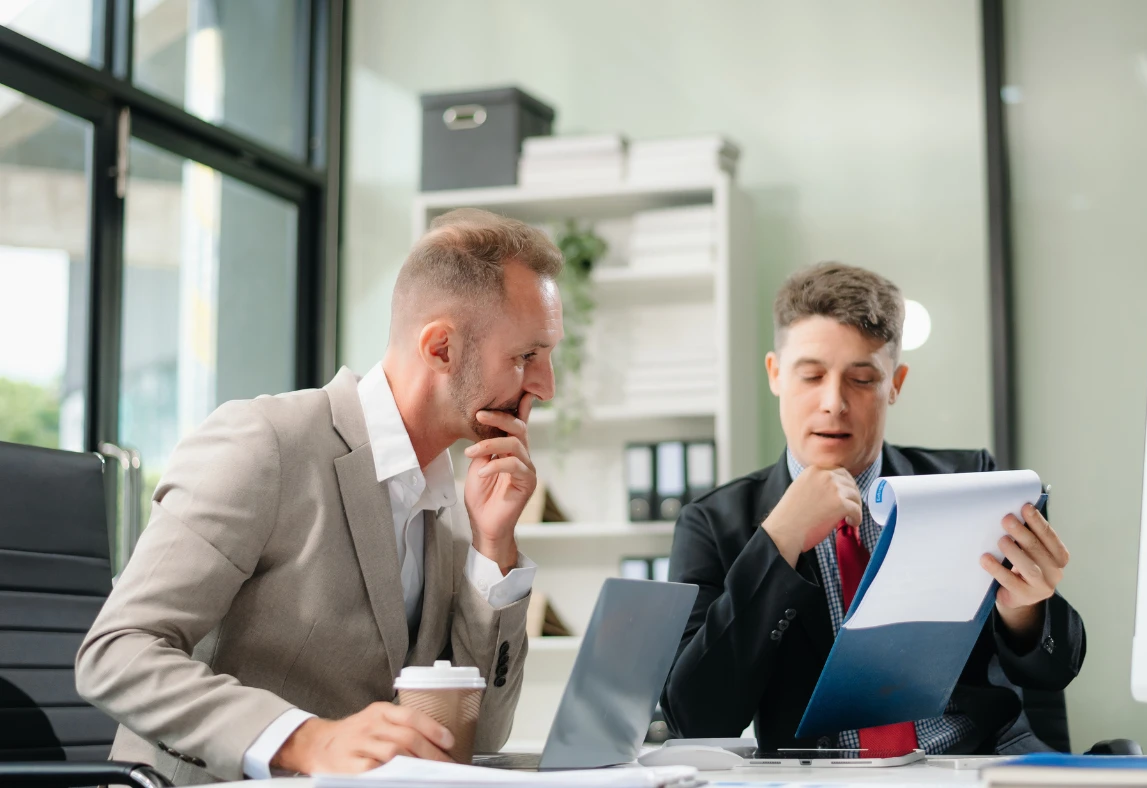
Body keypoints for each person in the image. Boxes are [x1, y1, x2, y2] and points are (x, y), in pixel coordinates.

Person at [75, 208, 563, 783]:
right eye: (526, 357)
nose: (545, 387)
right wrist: (303, 739)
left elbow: (481, 734)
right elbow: (115, 653)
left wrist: (492, 545)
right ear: (440, 348)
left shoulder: (449, 497)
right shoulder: (264, 444)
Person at [662, 262, 1085, 755]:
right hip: (823, 777)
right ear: (776, 375)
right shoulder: (714, 524)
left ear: (896, 383)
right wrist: (779, 541)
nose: (833, 402)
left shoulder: (968, 484)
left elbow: (1052, 671)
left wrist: (1028, 611)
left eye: (862, 379)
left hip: (974, 762)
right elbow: (694, 717)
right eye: (811, 375)